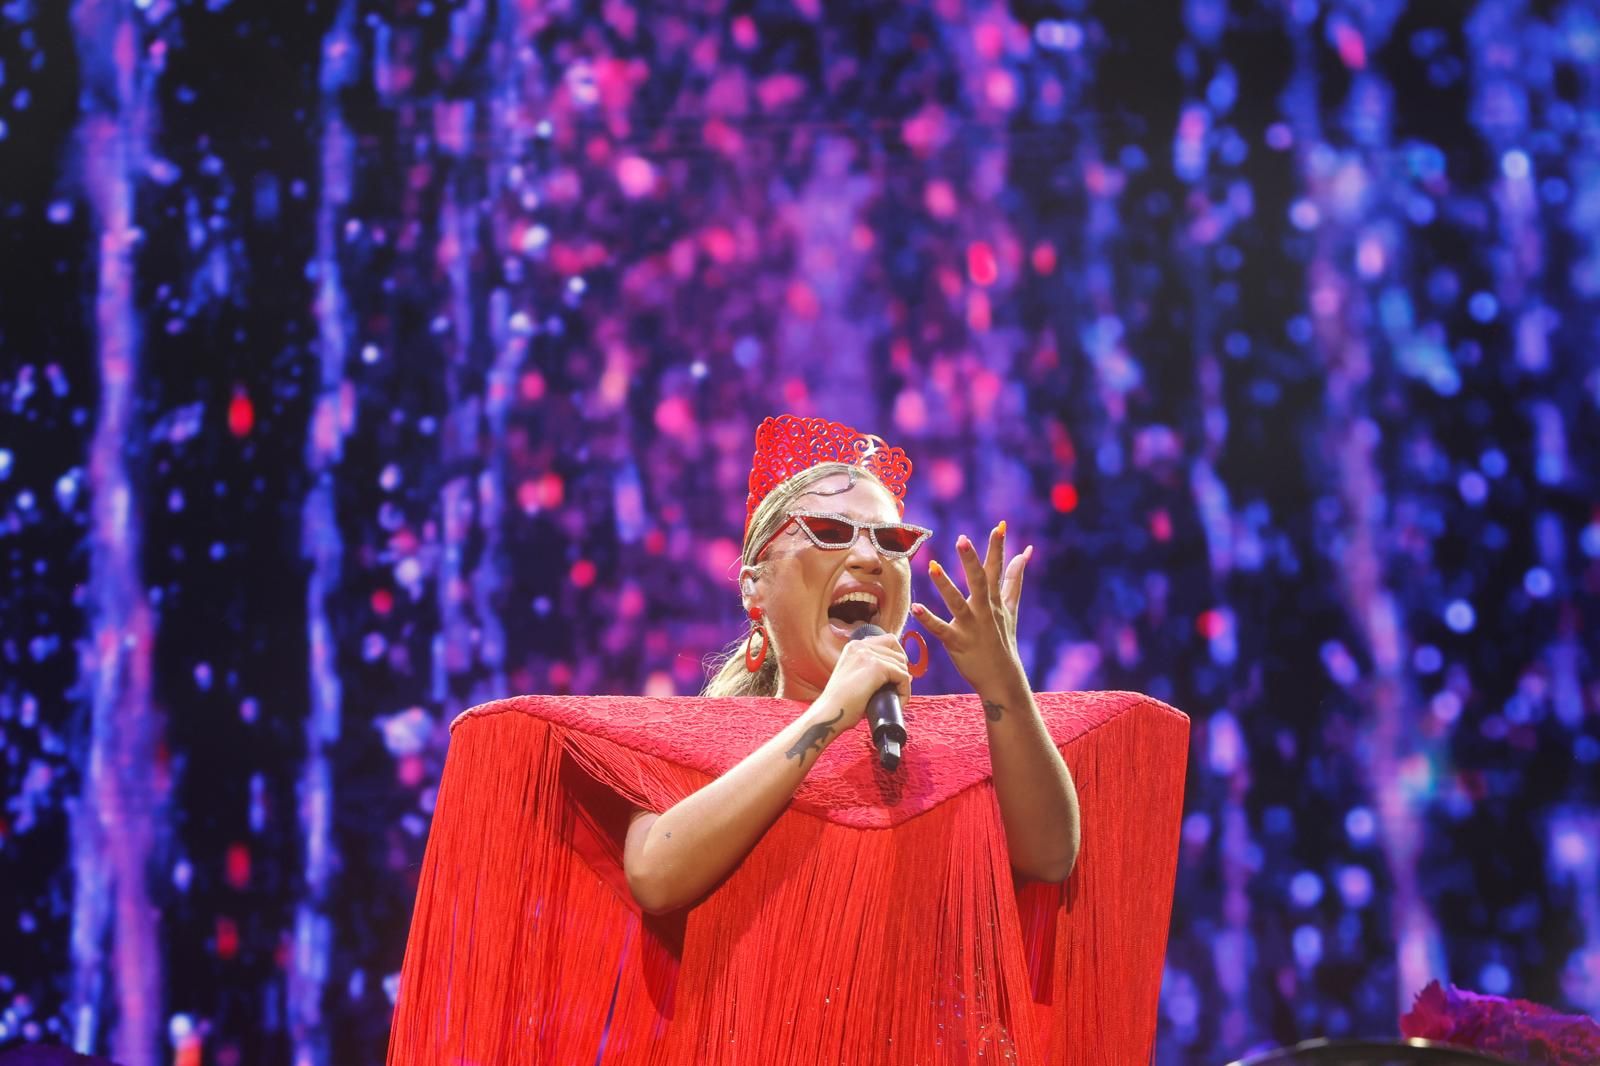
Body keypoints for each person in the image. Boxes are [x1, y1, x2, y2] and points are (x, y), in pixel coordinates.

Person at [621, 413, 1080, 914]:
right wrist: (830, 714)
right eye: (829, 531)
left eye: (892, 541)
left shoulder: (967, 749)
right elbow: (653, 877)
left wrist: (1005, 685)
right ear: (754, 586)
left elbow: (1051, 858)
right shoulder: (690, 744)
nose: (869, 558)